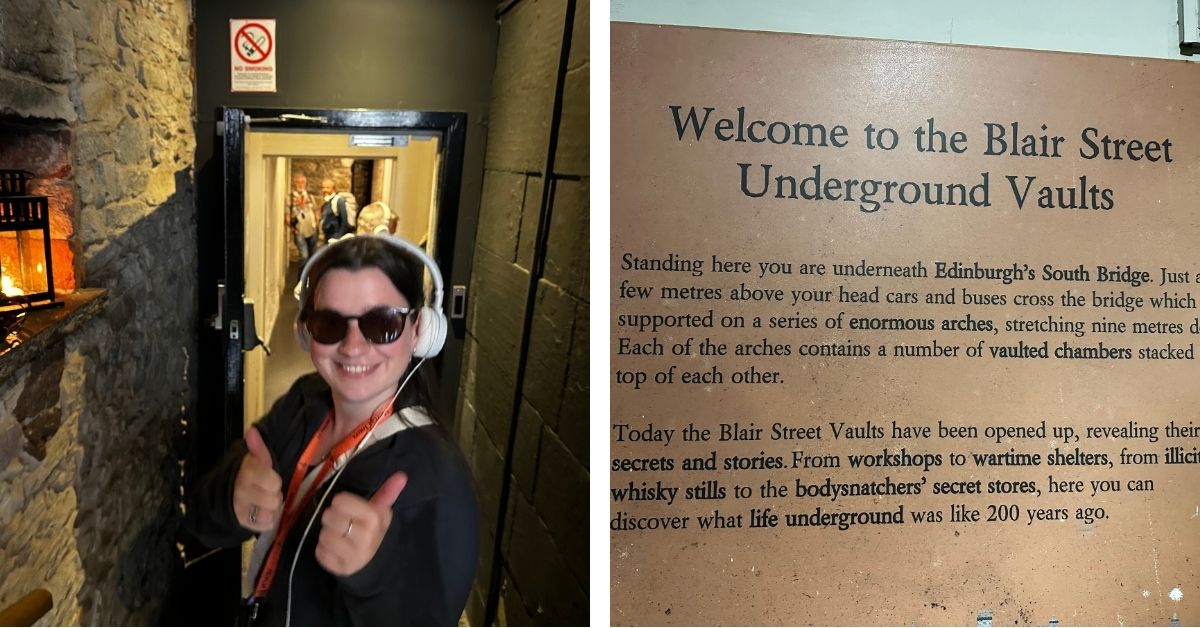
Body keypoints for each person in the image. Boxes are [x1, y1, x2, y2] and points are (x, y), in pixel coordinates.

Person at [186, 234, 478, 626]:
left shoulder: (438, 480)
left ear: (419, 331)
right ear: (306, 332)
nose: (353, 347)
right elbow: (201, 525)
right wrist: (230, 498)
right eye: (329, 323)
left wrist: (375, 576)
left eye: (383, 323)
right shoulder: (304, 402)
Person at [288, 174, 318, 267]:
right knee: (304, 256)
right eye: (298, 182)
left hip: (312, 230)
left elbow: (316, 211)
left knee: (313, 256)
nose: (300, 184)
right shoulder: (290, 198)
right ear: (294, 184)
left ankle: (311, 275)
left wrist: (316, 224)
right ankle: (302, 275)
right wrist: (292, 228)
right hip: (299, 231)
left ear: (305, 184)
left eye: (302, 182)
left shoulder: (310, 197)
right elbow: (287, 215)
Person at [319, 178, 356, 244]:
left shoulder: (338, 201)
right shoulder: (327, 201)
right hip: (328, 237)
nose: (324, 190)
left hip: (335, 237)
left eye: (327, 188)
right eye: (323, 188)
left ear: (333, 189)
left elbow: (344, 221)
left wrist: (338, 238)